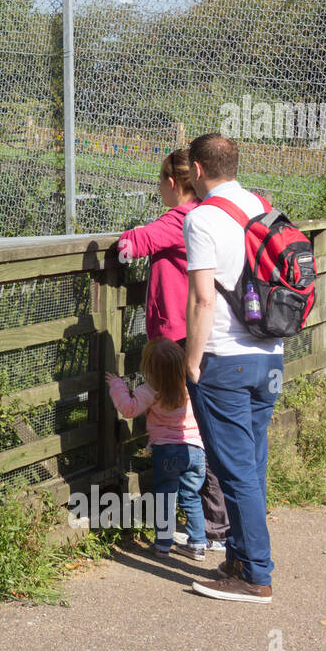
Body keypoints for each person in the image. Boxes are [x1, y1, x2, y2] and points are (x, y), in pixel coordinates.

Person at [181, 132, 283, 604]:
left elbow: (203, 299)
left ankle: (256, 575)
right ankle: (241, 557)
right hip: (270, 358)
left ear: (197, 171)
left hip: (225, 358)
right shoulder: (263, 206)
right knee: (252, 464)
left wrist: (192, 361)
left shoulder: (201, 218)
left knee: (235, 469)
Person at [116, 150, 230, 551]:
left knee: (189, 425)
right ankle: (212, 526)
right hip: (191, 335)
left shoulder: (179, 219)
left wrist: (127, 237)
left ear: (173, 182)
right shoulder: (205, 215)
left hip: (175, 339)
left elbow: (133, 245)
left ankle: (212, 528)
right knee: (200, 427)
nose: (158, 187)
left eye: (160, 180)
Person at [106, 338, 207, 559]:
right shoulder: (192, 384)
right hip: (195, 449)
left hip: (166, 451)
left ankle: (163, 544)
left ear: (149, 367)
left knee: (165, 496)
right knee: (191, 496)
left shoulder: (149, 390)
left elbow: (129, 409)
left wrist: (117, 386)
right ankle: (198, 544)